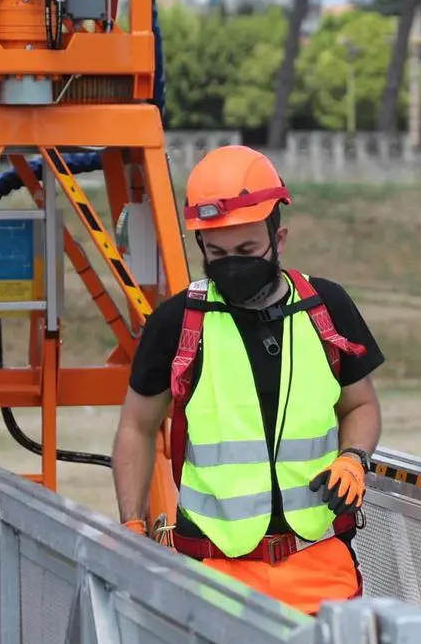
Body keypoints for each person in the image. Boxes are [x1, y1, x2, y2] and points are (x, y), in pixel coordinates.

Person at [111, 144, 385, 615]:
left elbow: (360, 406)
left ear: (279, 238)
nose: (232, 264)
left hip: (319, 568)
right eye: (216, 253)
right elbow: (135, 428)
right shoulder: (177, 323)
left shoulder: (327, 308)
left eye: (247, 250)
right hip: (213, 576)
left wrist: (354, 459)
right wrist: (133, 528)